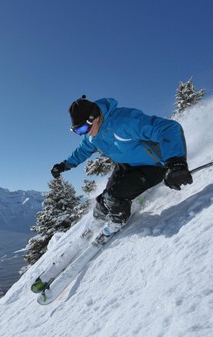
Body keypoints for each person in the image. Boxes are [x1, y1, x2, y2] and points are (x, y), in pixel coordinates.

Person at [31, 95, 193, 293]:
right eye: (77, 131)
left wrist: (175, 163)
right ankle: (100, 217)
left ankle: (118, 219)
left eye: (83, 128)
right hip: (127, 166)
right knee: (103, 200)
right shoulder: (92, 135)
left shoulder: (125, 121)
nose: (83, 134)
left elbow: (169, 128)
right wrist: (65, 165)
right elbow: (83, 150)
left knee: (114, 197)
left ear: (94, 118)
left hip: (153, 166)